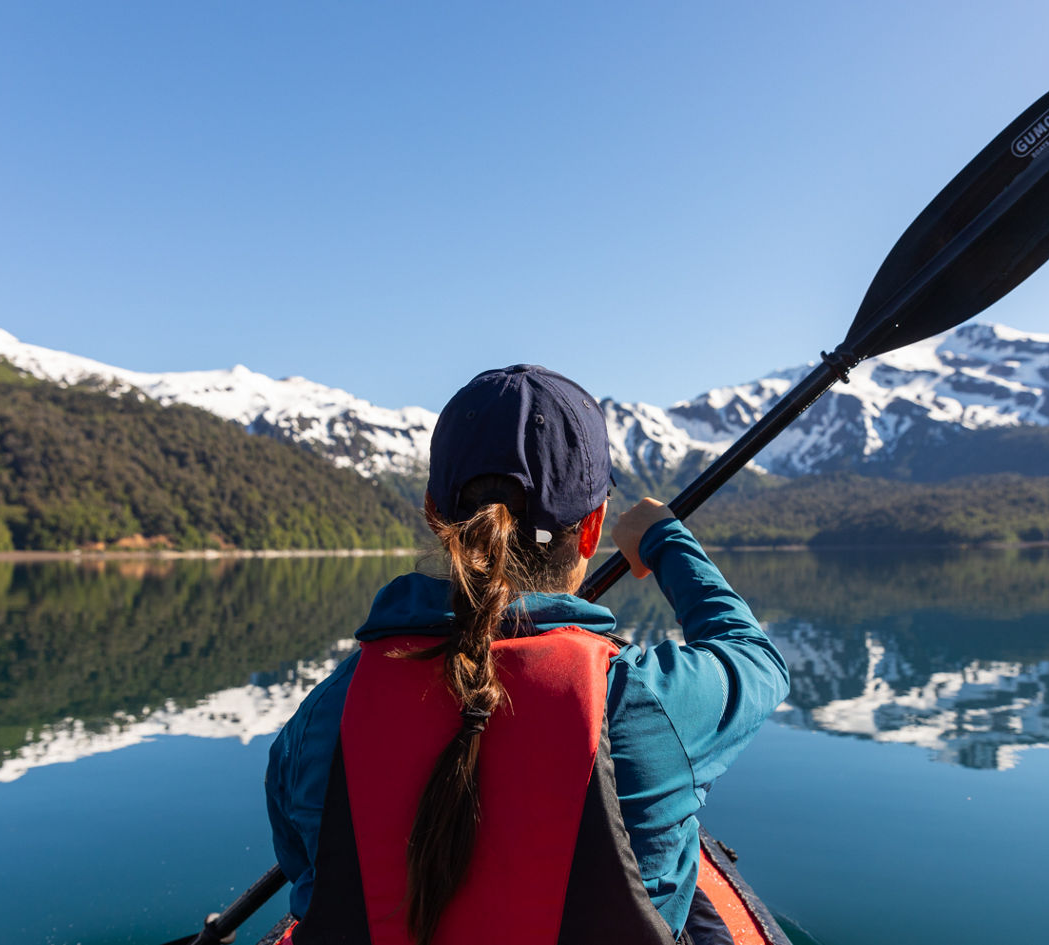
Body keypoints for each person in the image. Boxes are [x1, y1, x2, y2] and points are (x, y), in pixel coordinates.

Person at [264, 364, 789, 945]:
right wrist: (665, 540)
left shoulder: (319, 721)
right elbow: (756, 659)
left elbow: (305, 874)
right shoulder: (645, 703)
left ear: (434, 515)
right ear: (591, 531)